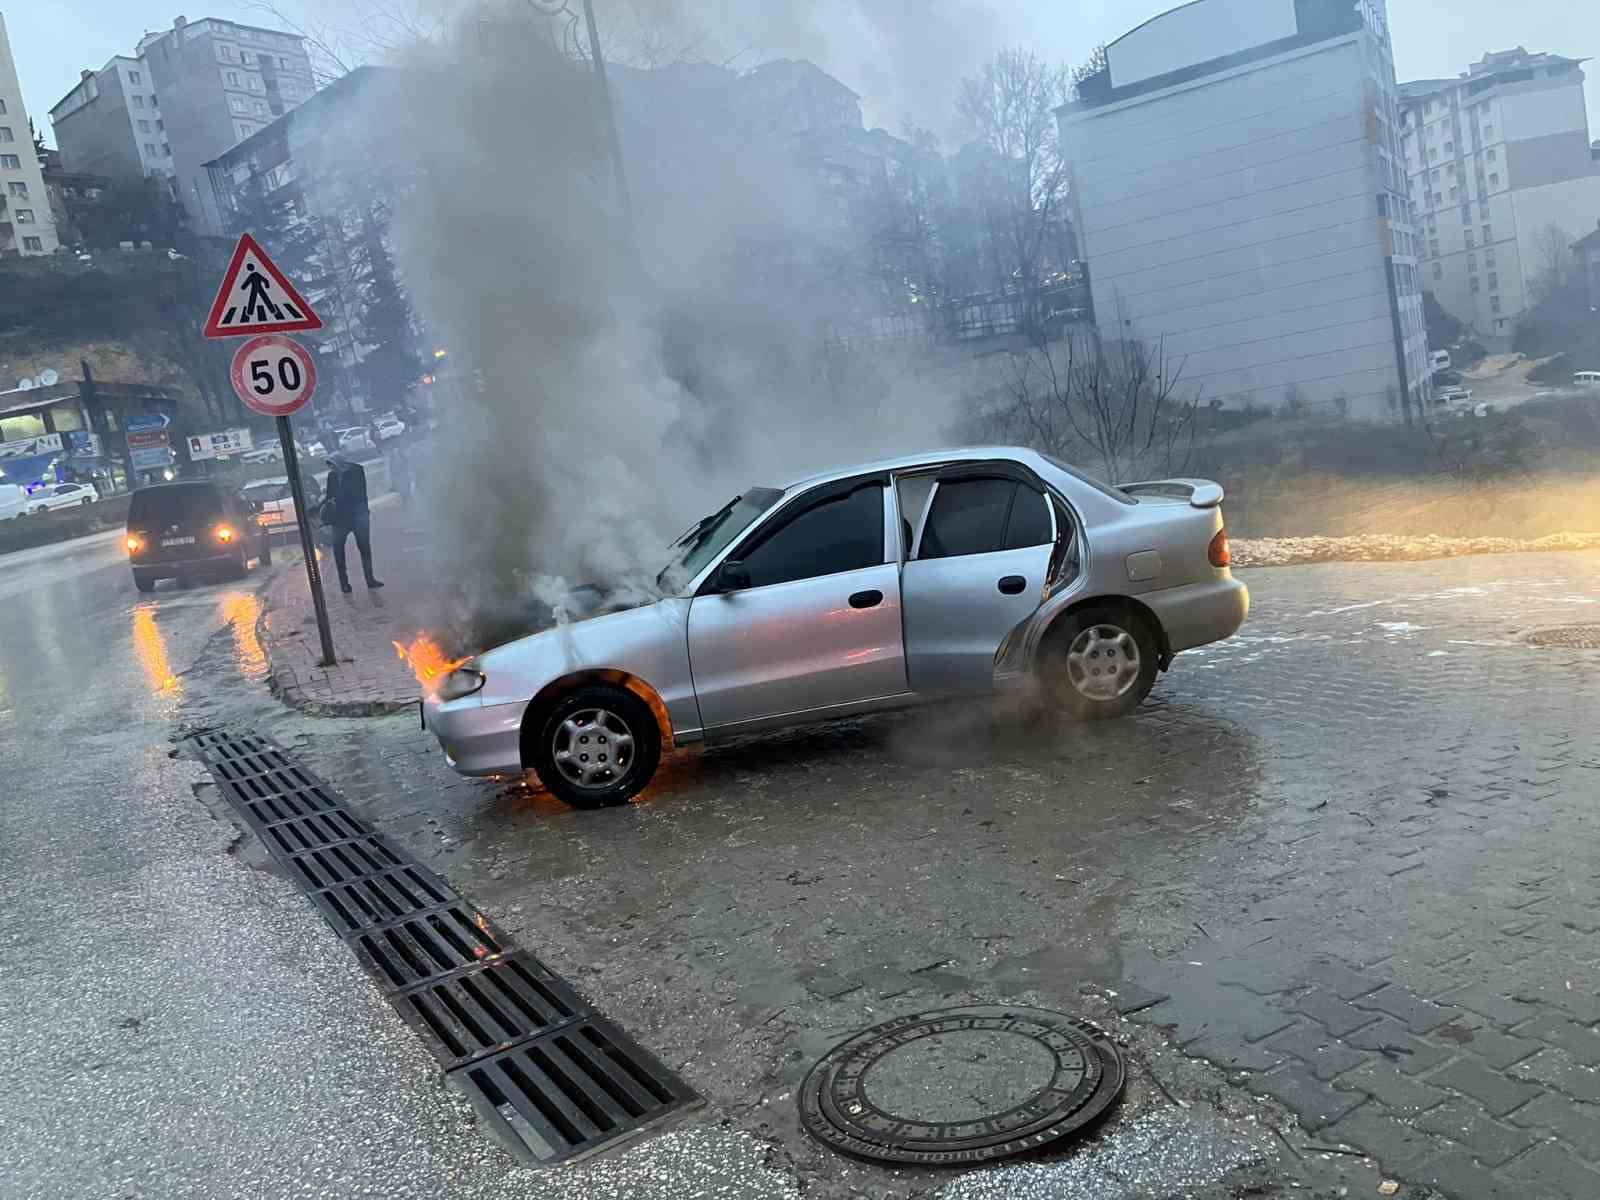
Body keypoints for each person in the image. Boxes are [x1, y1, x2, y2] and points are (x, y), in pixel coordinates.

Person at [321, 453, 383, 593]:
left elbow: (358, 492)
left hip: (357, 516)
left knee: (364, 548)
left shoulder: (357, 471)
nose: (332, 470)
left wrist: (337, 499)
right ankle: (344, 583)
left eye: (333, 466)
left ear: (339, 464)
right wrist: (326, 506)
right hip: (340, 519)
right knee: (338, 550)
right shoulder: (331, 476)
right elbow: (330, 496)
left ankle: (370, 579)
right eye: (330, 467)